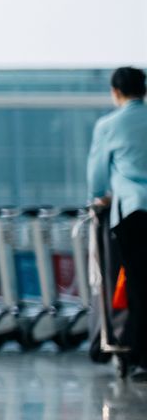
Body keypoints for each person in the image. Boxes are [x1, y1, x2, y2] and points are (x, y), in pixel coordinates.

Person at [88, 66, 147, 381]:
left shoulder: (109, 125)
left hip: (133, 211)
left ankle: (139, 356)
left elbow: (97, 177)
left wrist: (99, 196)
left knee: (137, 284)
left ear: (116, 92)